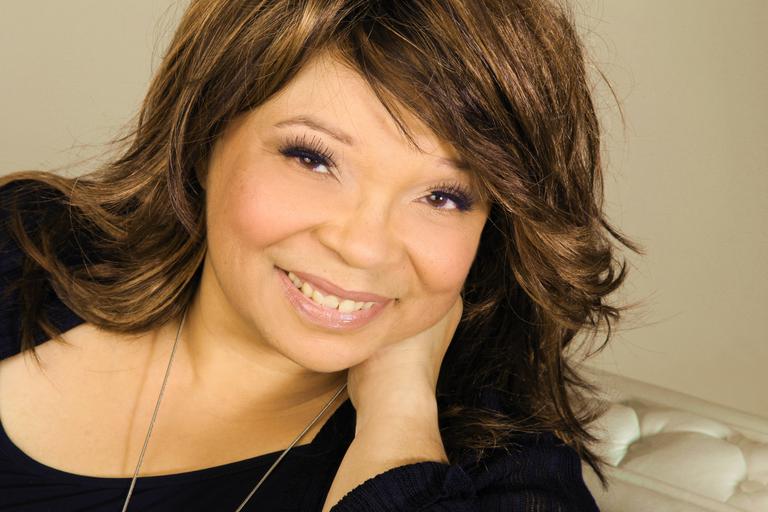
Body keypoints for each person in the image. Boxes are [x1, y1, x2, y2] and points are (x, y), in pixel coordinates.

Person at [0, 0, 641, 510]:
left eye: (444, 196)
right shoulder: (27, 241)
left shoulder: (505, 474)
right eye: (312, 158)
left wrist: (397, 426)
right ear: (202, 137)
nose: (363, 246)